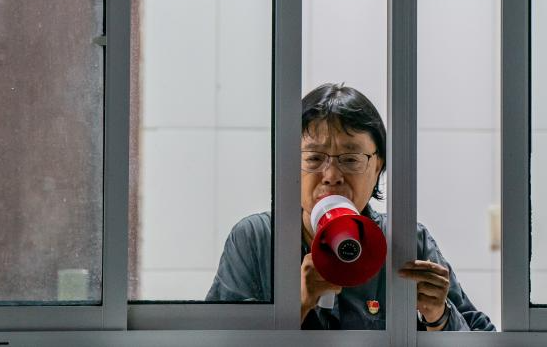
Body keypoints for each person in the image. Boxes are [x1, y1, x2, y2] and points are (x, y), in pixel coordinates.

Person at [206, 83, 496, 331]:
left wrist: (439, 316)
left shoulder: (407, 241)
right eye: (314, 159)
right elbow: (215, 339)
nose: (332, 175)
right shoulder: (257, 239)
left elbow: (482, 335)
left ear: (378, 167)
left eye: (351, 159)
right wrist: (298, 304)